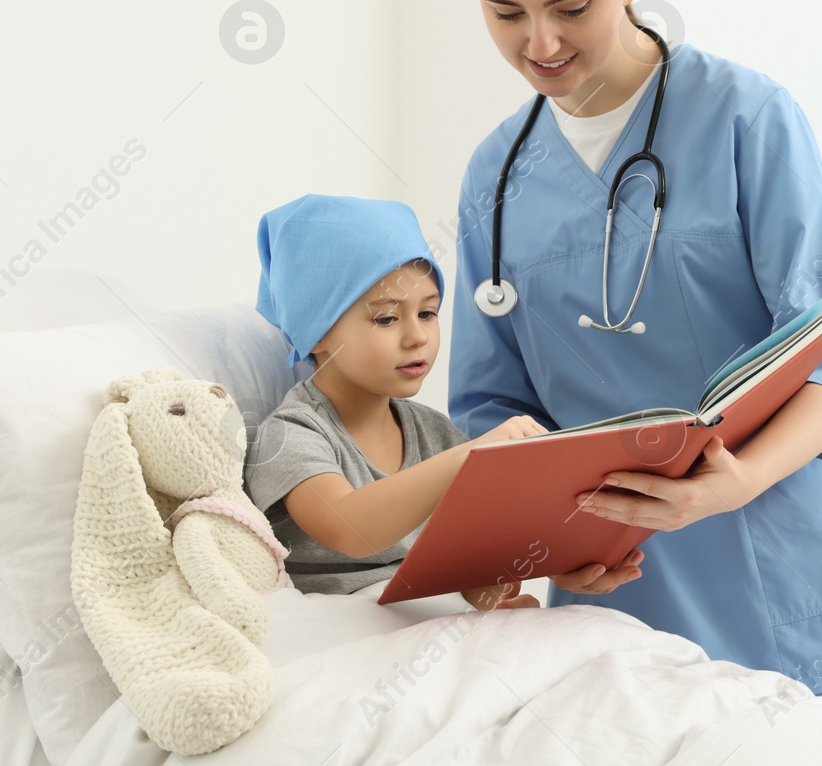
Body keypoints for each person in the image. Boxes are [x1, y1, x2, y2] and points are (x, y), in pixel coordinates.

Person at [447, 0, 822, 702]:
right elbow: (492, 408)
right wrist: (548, 545)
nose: (542, 43)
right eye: (505, 12)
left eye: (573, 6)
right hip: (624, 590)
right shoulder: (496, 174)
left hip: (792, 566)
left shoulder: (747, 117)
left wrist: (738, 479)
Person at [243, 193, 630, 610]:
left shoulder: (434, 432)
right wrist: (469, 457)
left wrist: (551, 563)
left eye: (427, 313)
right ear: (315, 333)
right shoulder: (291, 434)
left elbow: (465, 567)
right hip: (343, 630)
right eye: (387, 318)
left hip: (418, 622)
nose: (418, 337)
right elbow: (348, 528)